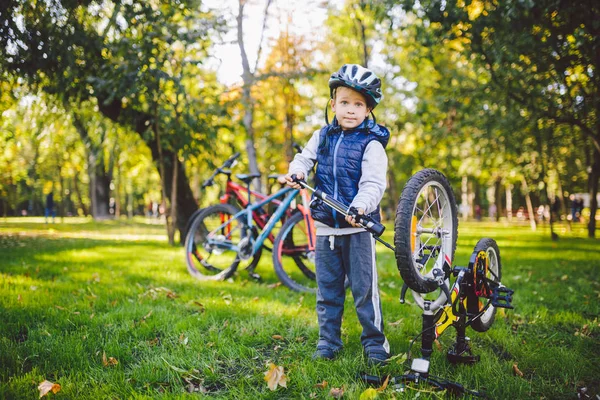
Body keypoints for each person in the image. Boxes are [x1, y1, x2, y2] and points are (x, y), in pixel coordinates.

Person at [281, 64, 390, 366]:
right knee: (327, 291)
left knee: (364, 292)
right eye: (345, 103)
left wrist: (361, 206)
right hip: (327, 229)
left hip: (357, 230)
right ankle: (328, 341)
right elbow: (304, 157)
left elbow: (373, 183)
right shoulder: (323, 136)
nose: (351, 110)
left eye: (358, 104)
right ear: (333, 105)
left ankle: (375, 343)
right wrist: (297, 170)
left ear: (368, 110)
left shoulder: (371, 145)